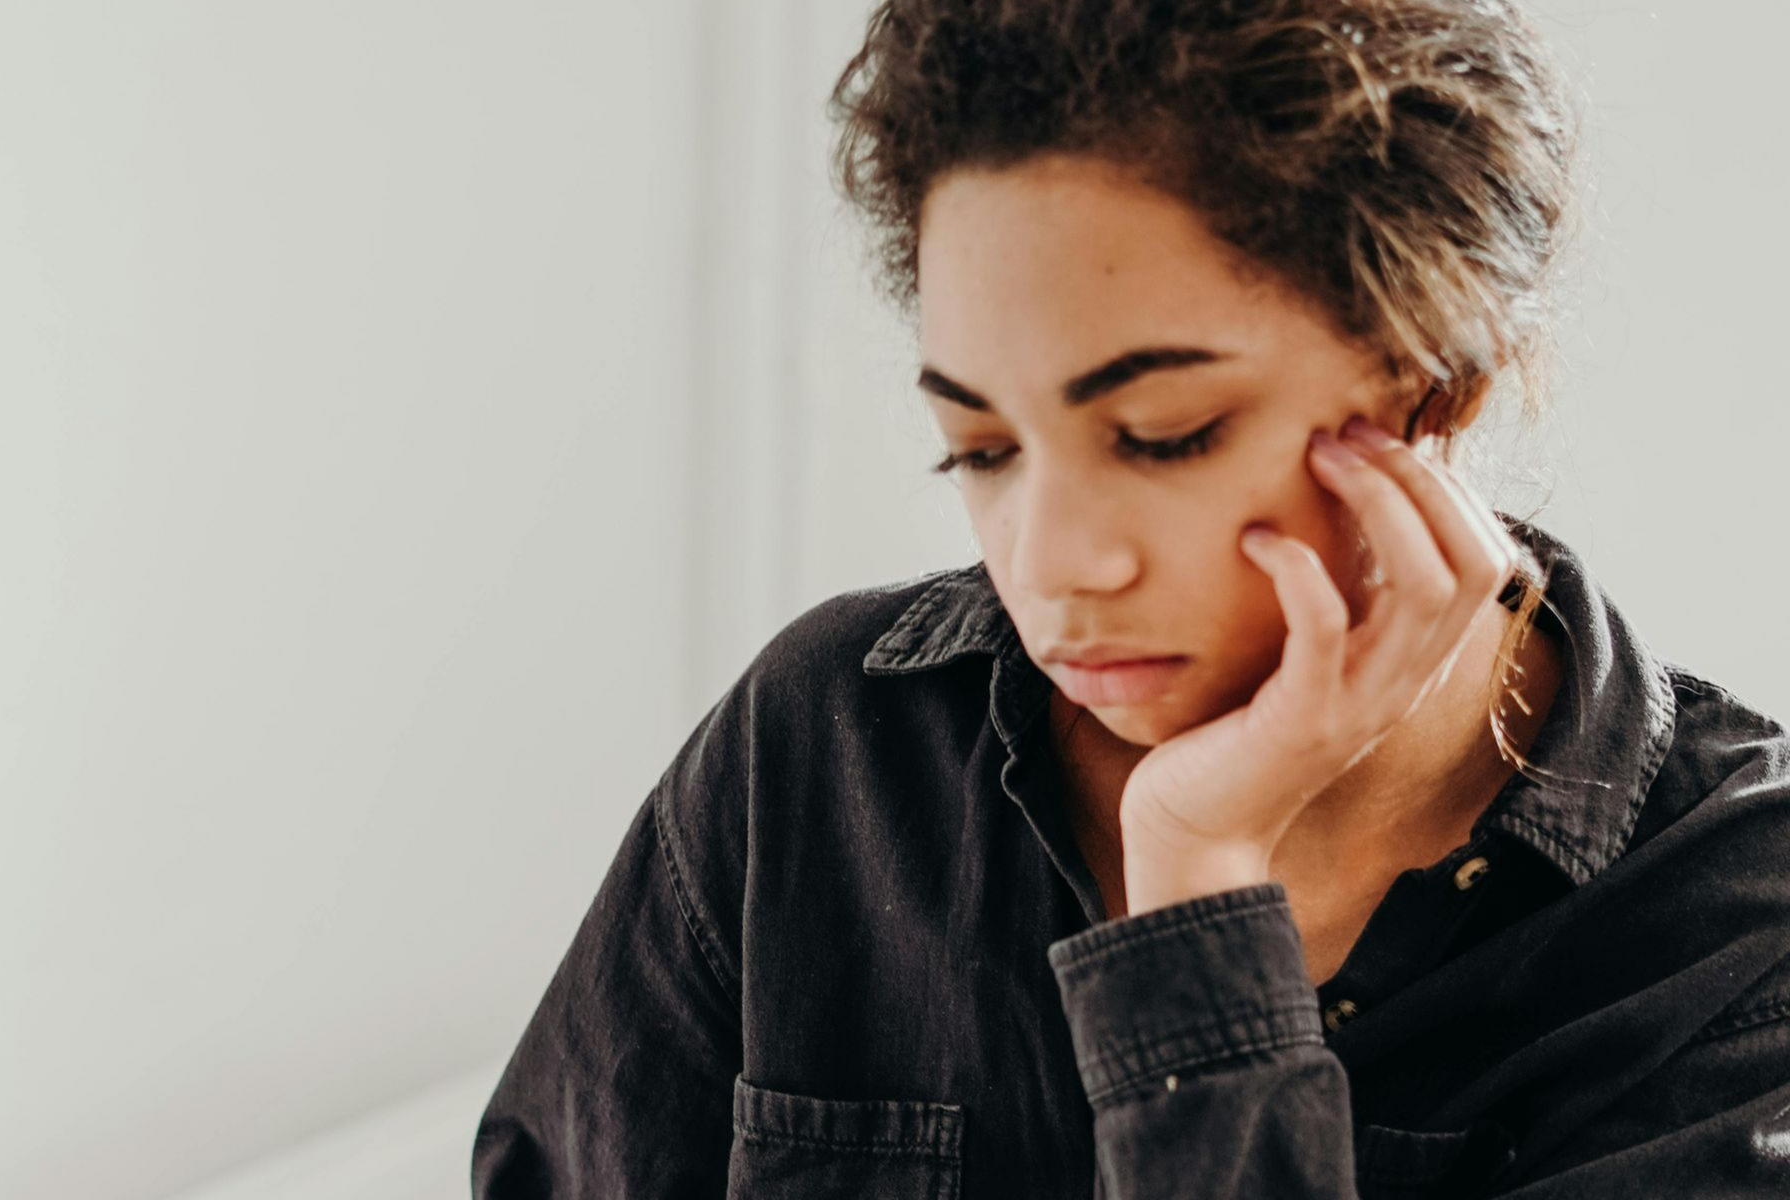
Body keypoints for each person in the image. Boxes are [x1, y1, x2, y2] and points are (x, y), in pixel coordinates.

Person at [472, 0, 1790, 1195]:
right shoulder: (820, 751)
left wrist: (1196, 892)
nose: (1049, 562)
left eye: (1162, 433)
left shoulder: (1738, 940)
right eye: (982, 449)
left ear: (1440, 382)